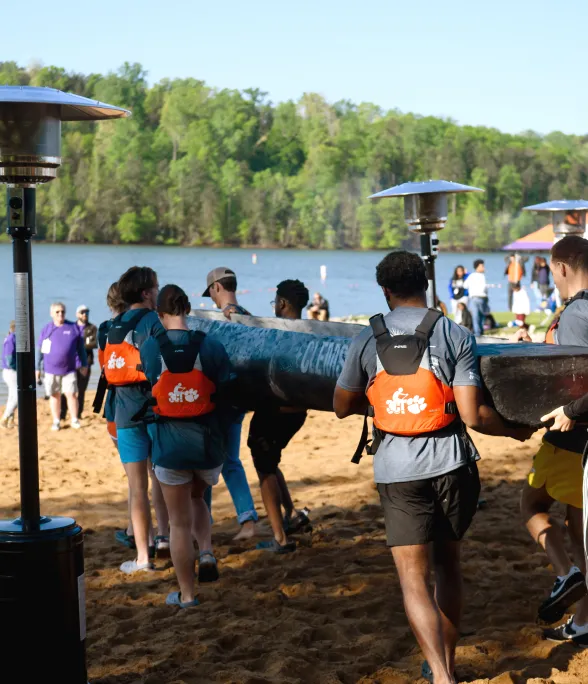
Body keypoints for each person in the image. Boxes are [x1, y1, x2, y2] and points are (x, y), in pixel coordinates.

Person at [333, 250, 533, 684]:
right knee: (448, 566)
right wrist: (515, 431)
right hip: (451, 464)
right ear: (424, 284)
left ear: (384, 291)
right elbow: (473, 416)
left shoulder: (366, 338)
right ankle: (450, 661)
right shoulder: (454, 333)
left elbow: (340, 406)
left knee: (412, 580)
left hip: (397, 469)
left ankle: (441, 675)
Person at [140, 285, 231, 608]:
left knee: (177, 523)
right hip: (206, 447)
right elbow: (226, 388)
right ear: (188, 309)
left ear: (161, 315)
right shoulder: (210, 346)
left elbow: (149, 385)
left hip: (170, 446)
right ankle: (206, 552)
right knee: (197, 497)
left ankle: (187, 595)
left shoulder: (151, 348)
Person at [527, 236, 588, 644]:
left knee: (531, 504)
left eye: (551, 270)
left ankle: (569, 576)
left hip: (572, 435)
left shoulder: (577, 312)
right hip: (579, 436)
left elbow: (579, 375)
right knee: (577, 522)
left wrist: (569, 411)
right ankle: (583, 618)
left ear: (563, 266)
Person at [104, 267, 169, 573]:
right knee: (161, 476)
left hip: (124, 411)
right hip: (154, 409)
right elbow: (162, 364)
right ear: (146, 293)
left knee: (136, 486)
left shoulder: (112, 324)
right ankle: (165, 537)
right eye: (156, 288)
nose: (158, 293)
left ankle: (142, 556)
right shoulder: (152, 321)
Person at [248, 280, 312, 554]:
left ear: (283, 304)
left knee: (264, 469)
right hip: (298, 414)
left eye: (275, 301)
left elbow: (282, 369)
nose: (274, 306)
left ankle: (280, 538)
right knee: (271, 462)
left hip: (276, 413)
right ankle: (292, 514)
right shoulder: (310, 333)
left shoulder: (284, 334)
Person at [202, 267, 258, 539]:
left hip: (220, 401)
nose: (211, 298)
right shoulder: (249, 316)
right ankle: (244, 519)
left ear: (217, 288)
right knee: (229, 461)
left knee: (210, 462)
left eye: (211, 292)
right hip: (241, 398)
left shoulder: (224, 319)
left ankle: (206, 522)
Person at [36, 302, 88, 432]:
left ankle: (74, 419)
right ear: (52, 313)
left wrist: (84, 364)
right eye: (57, 312)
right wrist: (37, 368)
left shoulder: (73, 327)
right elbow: (40, 350)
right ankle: (56, 420)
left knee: (71, 394)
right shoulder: (47, 329)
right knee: (55, 395)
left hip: (69, 369)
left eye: (62, 311)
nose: (60, 314)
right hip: (50, 370)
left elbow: (81, 348)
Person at [61, 305, 98, 420]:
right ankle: (62, 414)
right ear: (77, 314)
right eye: (82, 312)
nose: (85, 314)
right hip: (70, 364)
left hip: (84, 364)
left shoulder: (92, 328)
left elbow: (93, 344)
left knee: (81, 390)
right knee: (66, 390)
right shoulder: (71, 327)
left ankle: (78, 414)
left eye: (87, 312)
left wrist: (75, 345)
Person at [464, 260, 488, 338]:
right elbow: (484, 288)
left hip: (474, 298)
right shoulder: (480, 276)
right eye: (482, 266)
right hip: (479, 298)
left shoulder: (471, 276)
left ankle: (478, 334)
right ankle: (479, 333)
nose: (484, 268)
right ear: (477, 267)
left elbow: (465, 285)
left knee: (477, 317)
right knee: (479, 317)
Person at [1, 321, 17, 428]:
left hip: (8, 371)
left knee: (12, 395)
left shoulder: (9, 338)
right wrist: (18, 368)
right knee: (17, 396)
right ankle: (5, 417)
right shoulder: (12, 338)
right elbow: (9, 358)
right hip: (11, 371)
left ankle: (10, 420)